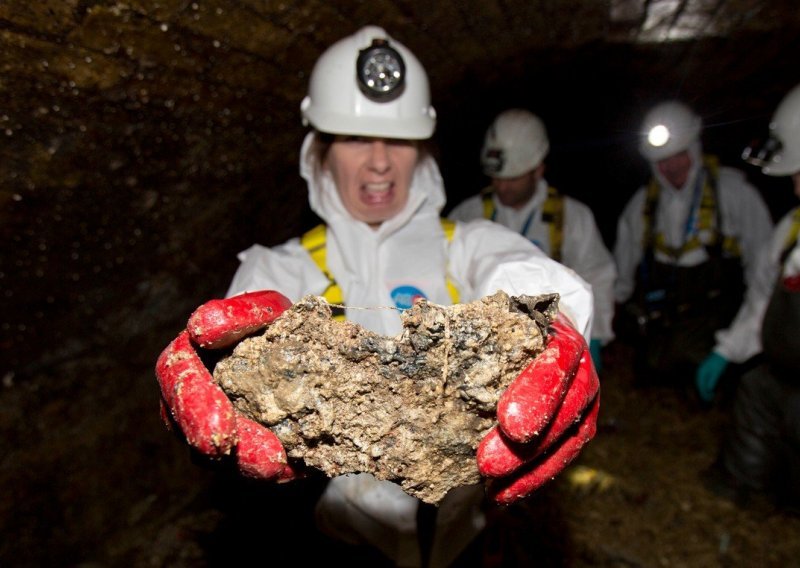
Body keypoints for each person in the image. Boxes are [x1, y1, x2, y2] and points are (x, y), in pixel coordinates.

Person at [155, 26, 600, 568]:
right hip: (342, 545)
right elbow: (238, 336)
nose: (380, 162)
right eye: (354, 138)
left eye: (399, 141)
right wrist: (214, 369)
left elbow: (519, 271)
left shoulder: (466, 243)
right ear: (318, 151)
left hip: (465, 535)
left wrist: (554, 327)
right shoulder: (282, 268)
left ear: (423, 151)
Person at [614, 100, 773, 392]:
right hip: (665, 308)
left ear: (695, 149)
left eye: (679, 155)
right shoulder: (642, 205)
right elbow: (622, 269)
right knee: (651, 375)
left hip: (716, 308)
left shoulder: (734, 192)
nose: (671, 166)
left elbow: (763, 263)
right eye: (662, 160)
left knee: (707, 378)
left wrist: (754, 320)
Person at [448, 109, 617, 370]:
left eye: (513, 179)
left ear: (538, 169)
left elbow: (597, 274)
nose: (502, 187)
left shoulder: (572, 217)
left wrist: (595, 335)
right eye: (496, 177)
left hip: (552, 349)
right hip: (479, 350)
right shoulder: (468, 215)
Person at [700, 83, 800, 511]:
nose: (796, 188)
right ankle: (745, 500)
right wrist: (727, 350)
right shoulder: (792, 231)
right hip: (786, 378)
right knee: (757, 388)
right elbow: (763, 300)